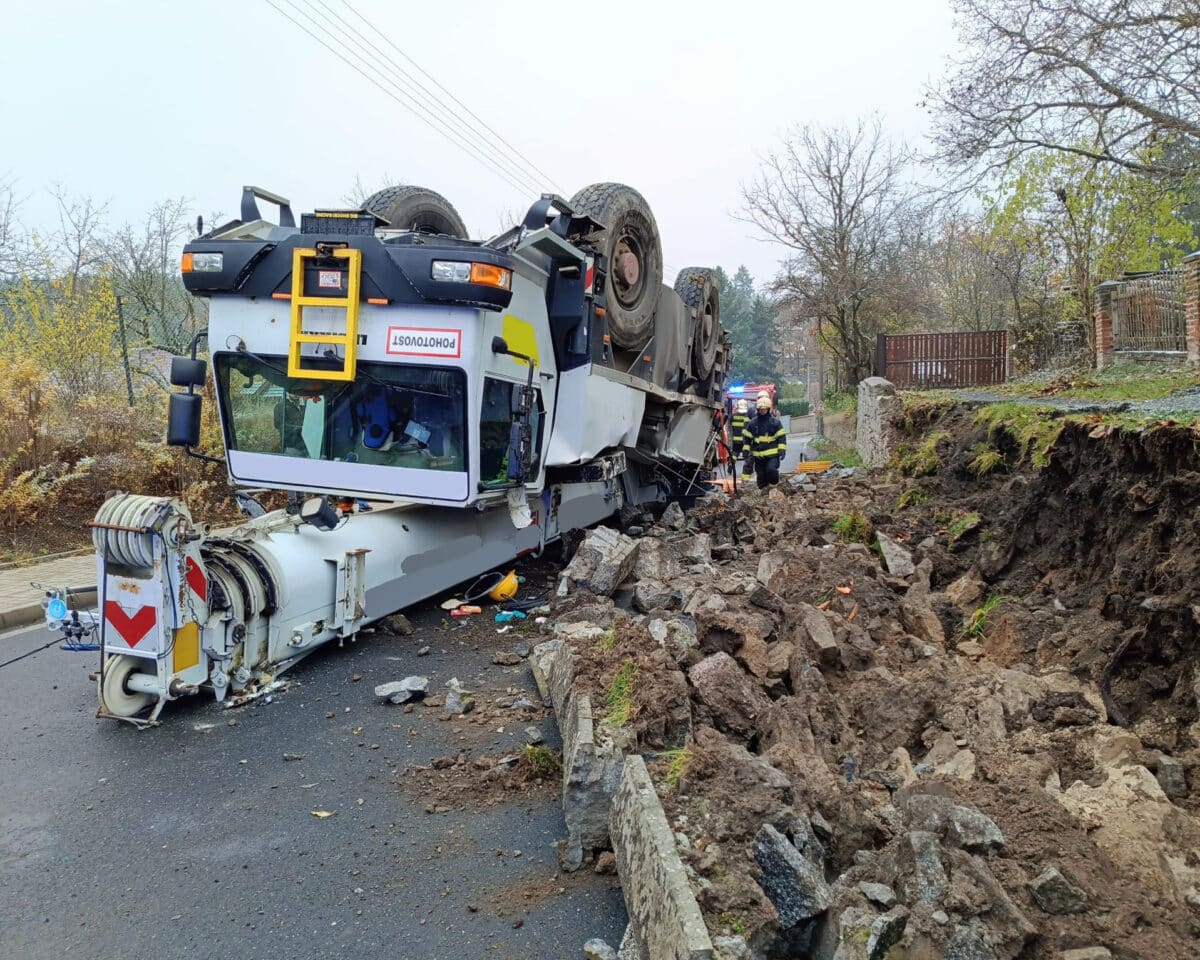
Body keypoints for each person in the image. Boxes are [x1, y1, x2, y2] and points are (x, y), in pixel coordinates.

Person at [741, 392, 786, 489]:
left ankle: (774, 487)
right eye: (760, 409)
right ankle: (763, 495)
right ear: (757, 409)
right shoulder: (753, 423)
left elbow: (781, 437)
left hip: (772, 456)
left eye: (764, 409)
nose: (762, 411)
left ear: (768, 409)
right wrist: (745, 450)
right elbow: (747, 438)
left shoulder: (775, 422)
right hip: (759, 456)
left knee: (771, 471)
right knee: (760, 477)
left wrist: (782, 450)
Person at [730, 398, 752, 481]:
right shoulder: (748, 416)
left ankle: (731, 464)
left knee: (735, 453)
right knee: (747, 455)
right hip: (745, 439)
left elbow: (730, 424)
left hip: (736, 439)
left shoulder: (733, 416)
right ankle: (748, 468)